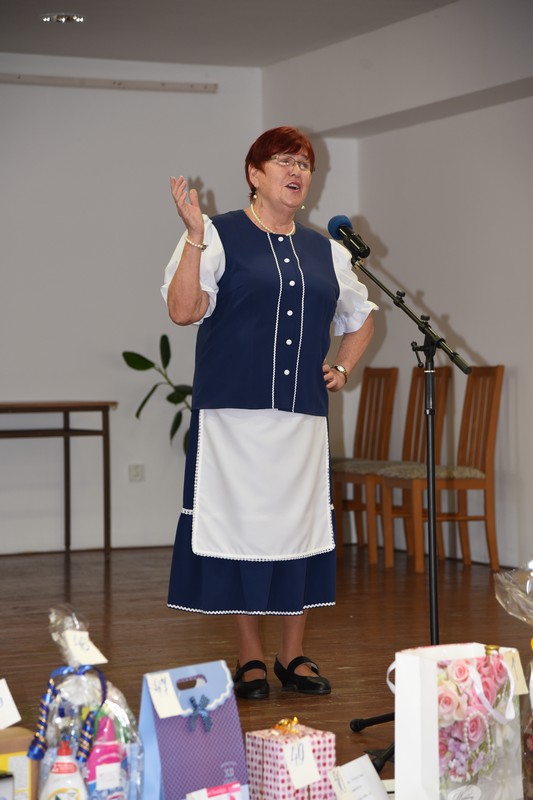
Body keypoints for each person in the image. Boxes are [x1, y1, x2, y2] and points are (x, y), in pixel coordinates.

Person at [161, 126, 376, 699]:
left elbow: (361, 318)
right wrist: (193, 237)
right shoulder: (216, 235)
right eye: (283, 161)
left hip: (301, 420)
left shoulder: (327, 251)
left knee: (297, 531)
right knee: (240, 533)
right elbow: (183, 310)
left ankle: (292, 654)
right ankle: (250, 656)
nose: (296, 171)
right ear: (255, 174)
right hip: (232, 419)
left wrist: (343, 365)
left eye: (303, 163)